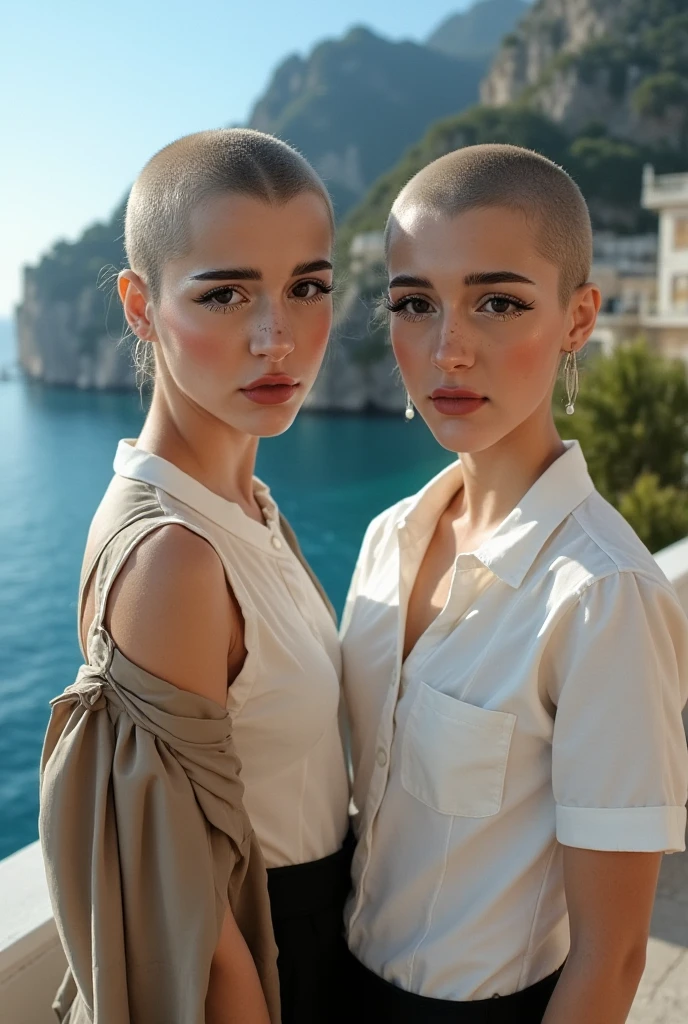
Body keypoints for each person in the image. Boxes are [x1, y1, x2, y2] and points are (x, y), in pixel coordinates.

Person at [340, 144, 688, 1023]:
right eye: (415, 304)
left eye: (498, 302)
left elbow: (611, 964)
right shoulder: (389, 541)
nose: (448, 350)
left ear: (578, 320)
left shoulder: (604, 598)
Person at [39, 128, 351, 1024]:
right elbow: (197, 919)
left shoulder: (247, 505)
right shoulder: (174, 555)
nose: (277, 337)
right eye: (224, 294)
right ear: (140, 305)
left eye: (308, 288)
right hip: (278, 963)